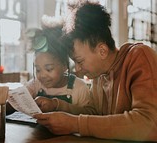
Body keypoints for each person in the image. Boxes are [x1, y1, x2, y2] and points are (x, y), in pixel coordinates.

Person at [33, 1, 157, 142]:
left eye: (80, 61)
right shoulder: (99, 75)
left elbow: (149, 123)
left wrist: (75, 124)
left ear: (102, 51)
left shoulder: (140, 56)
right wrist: (56, 105)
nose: (78, 70)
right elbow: (94, 113)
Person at [6, 16, 91, 114]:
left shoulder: (79, 88)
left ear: (64, 66)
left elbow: (88, 116)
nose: (42, 75)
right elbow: (15, 101)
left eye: (49, 69)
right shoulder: (36, 84)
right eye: (38, 70)